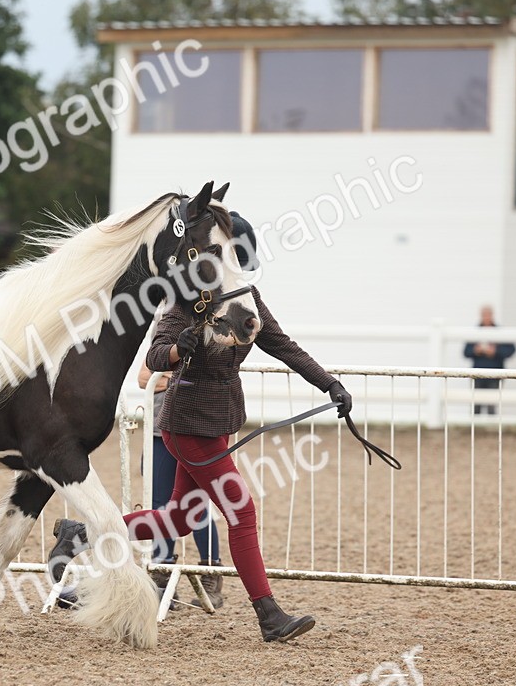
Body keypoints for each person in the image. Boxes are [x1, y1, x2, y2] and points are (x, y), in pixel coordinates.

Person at [48, 211, 352, 643]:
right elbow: (154, 358)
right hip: (187, 424)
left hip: (219, 423)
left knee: (178, 519)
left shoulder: (245, 299)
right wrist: (177, 349)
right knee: (241, 511)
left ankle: (82, 533)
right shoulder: (183, 299)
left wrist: (330, 384)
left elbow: (282, 345)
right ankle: (269, 615)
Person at [137, 361, 223, 611]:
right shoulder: (164, 323)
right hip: (159, 429)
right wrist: (181, 380)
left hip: (198, 429)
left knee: (197, 504)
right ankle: (162, 574)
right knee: (159, 504)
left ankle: (210, 573)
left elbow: (207, 381)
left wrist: (165, 379)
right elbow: (144, 379)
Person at [463, 306, 516, 415]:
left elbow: (511, 350)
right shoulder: (475, 332)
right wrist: (476, 350)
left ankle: (491, 429)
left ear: (492, 315)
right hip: (477, 373)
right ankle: (475, 429)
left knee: (492, 404)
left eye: (488, 315)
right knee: (476, 404)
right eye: (484, 315)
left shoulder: (499, 332)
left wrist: (495, 351)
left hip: (495, 373)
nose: (486, 317)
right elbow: (466, 352)